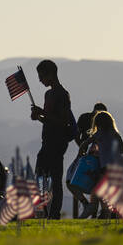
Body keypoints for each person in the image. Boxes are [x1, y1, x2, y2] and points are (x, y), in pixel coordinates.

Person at [30, 60, 75, 218]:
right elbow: (50, 121)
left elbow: (63, 122)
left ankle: (53, 213)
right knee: (41, 175)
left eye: (41, 76)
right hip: (47, 140)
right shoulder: (48, 94)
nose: (40, 79)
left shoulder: (62, 94)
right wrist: (39, 117)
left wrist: (42, 112)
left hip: (57, 142)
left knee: (55, 178)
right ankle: (44, 210)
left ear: (50, 74)